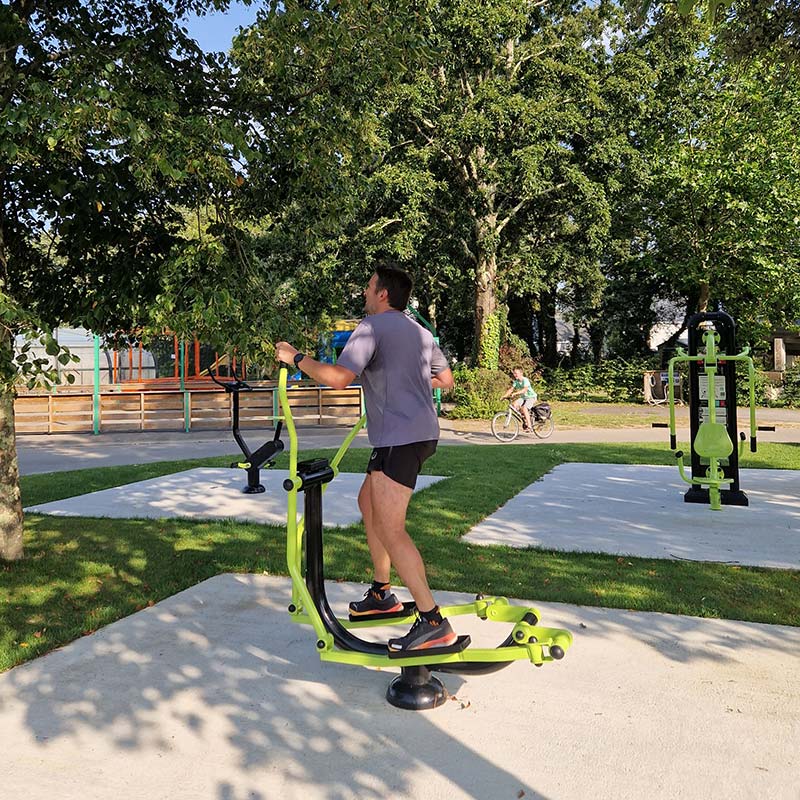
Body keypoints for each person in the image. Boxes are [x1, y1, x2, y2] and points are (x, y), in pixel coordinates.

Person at [274, 265, 457, 653]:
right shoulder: (420, 333)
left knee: (393, 528)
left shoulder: (371, 327)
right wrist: (402, 379)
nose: (364, 292)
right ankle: (382, 592)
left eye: (369, 286)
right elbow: (445, 380)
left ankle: (433, 622)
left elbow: (339, 378)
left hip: (399, 438)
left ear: (383, 294)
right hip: (417, 434)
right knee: (366, 503)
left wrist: (296, 357)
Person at [502, 367, 538, 432]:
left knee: (524, 408)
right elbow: (511, 389)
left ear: (521, 373)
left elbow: (524, 390)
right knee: (514, 405)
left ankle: (529, 426)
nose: (515, 375)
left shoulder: (525, 380)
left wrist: (515, 393)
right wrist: (504, 396)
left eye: (516, 373)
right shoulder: (516, 382)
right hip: (523, 397)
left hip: (531, 397)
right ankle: (525, 418)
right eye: (514, 373)